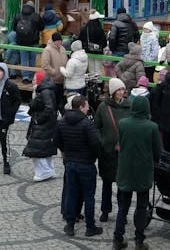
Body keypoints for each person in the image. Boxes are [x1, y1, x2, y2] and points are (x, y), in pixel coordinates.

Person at [114, 95, 162, 250]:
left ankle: (117, 239)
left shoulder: (122, 124)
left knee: (123, 207)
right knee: (141, 207)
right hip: (143, 171)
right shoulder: (152, 127)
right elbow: (158, 152)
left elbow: (120, 143)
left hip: (125, 170)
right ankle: (139, 241)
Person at [55, 95, 103, 237]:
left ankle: (70, 225)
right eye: (87, 106)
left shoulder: (62, 122)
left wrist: (66, 152)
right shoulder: (87, 124)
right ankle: (90, 226)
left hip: (70, 163)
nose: (88, 108)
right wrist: (94, 156)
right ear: (81, 107)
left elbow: (57, 141)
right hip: (86, 164)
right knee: (89, 196)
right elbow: (96, 144)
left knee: (71, 193)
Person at [94, 77, 131, 224]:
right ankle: (105, 210)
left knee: (123, 186)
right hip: (108, 152)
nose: (121, 92)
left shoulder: (130, 106)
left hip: (124, 153)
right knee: (107, 183)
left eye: (123, 89)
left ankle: (123, 213)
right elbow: (96, 127)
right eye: (119, 90)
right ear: (113, 92)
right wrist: (102, 141)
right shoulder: (103, 107)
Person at [23, 71, 58, 182]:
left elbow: (49, 108)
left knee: (37, 149)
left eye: (34, 78)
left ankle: (44, 172)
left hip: (43, 125)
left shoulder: (45, 92)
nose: (33, 80)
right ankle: (49, 170)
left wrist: (39, 120)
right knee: (45, 148)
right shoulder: (42, 90)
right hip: (45, 124)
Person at [12, 1, 44, 84]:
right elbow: (42, 27)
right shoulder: (36, 16)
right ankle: (31, 76)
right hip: (34, 42)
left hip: (21, 42)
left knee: (24, 59)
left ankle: (25, 76)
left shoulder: (18, 16)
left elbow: (14, 28)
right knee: (32, 60)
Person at [41, 32, 68, 114]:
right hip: (52, 81)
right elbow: (45, 65)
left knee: (60, 102)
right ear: (54, 41)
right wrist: (54, 72)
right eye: (58, 41)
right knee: (53, 103)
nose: (59, 42)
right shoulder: (47, 50)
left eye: (60, 40)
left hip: (62, 80)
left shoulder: (63, 49)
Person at [79, 9, 107, 75]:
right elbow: (104, 43)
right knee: (98, 69)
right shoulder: (100, 29)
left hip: (88, 51)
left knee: (91, 69)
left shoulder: (85, 29)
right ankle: (99, 83)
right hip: (98, 52)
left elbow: (80, 40)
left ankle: (92, 83)